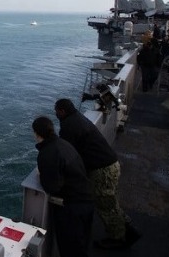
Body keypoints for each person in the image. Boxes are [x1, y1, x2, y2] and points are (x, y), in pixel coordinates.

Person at [54, 98, 141, 250]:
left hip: (102, 170)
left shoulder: (69, 126)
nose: (55, 113)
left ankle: (118, 239)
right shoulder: (78, 118)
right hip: (111, 165)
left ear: (62, 111)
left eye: (56, 110)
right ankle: (127, 229)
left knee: (105, 206)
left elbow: (66, 153)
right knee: (110, 202)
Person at [32, 116, 95, 257]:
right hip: (87, 200)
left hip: (72, 209)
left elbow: (52, 187)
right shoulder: (64, 144)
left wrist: (41, 175)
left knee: (70, 248)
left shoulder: (47, 153)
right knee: (82, 245)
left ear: (36, 133)